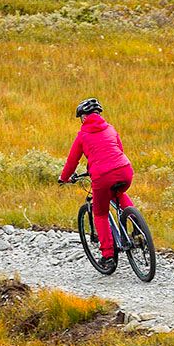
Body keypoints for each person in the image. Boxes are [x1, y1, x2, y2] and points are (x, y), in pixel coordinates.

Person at [58, 98, 134, 268]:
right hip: (125, 170)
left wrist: (63, 178)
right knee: (119, 193)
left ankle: (108, 255)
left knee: (100, 213)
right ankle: (137, 226)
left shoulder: (82, 136)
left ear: (84, 117)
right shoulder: (111, 128)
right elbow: (119, 150)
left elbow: (72, 162)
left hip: (102, 176)